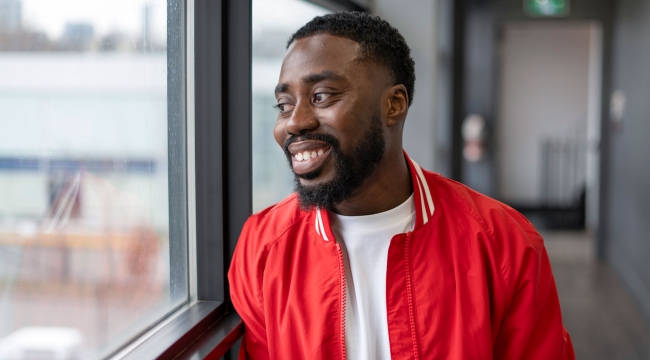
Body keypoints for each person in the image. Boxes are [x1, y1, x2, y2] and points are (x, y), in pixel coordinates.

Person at [229, 11, 575, 360]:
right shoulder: (262, 248)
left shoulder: (504, 244)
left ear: (394, 105)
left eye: (322, 96)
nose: (295, 123)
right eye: (284, 105)